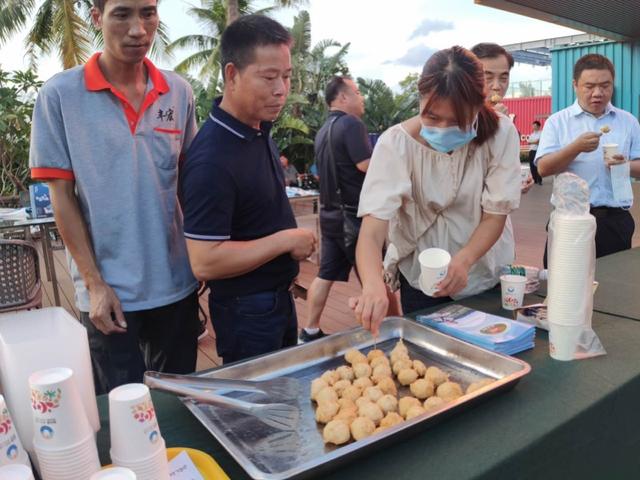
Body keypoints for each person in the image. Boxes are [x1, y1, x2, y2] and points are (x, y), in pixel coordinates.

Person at [28, 0, 200, 395]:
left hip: (177, 285)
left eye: (148, 13)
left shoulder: (178, 92)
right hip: (109, 294)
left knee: (182, 403)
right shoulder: (59, 97)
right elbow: (62, 199)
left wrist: (200, 262)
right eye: (122, 14)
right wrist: (94, 283)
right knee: (123, 411)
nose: (138, 29)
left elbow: (187, 185)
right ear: (96, 18)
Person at [351, 46, 521, 333]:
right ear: (420, 100)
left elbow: (495, 214)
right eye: (432, 117)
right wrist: (372, 285)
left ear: (480, 105)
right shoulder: (395, 144)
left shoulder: (501, 133)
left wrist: (465, 260)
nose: (442, 128)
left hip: (482, 273)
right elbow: (372, 231)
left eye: (456, 121)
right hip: (421, 277)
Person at [180, 15, 316, 363]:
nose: (281, 89)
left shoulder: (258, 129)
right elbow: (205, 261)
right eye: (269, 77)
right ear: (231, 74)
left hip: (277, 299)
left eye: (286, 77)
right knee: (258, 410)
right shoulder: (212, 158)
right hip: (248, 311)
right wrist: (286, 240)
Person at [536, 53, 640, 260]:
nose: (598, 93)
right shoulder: (558, 122)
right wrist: (575, 148)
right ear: (575, 84)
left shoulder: (628, 121)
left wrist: (625, 165)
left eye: (605, 85)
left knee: (613, 286)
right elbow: (543, 168)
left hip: (614, 220)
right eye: (589, 86)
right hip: (570, 220)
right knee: (564, 286)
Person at [299, 76, 370, 342]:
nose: (361, 97)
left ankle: (310, 330)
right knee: (374, 278)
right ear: (342, 98)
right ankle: (386, 328)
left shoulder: (323, 130)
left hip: (329, 215)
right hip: (352, 218)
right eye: (358, 92)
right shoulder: (351, 124)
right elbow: (366, 165)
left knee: (325, 274)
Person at [471, 42, 535, 194]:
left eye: (503, 78)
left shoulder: (504, 119)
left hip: (498, 213)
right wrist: (491, 122)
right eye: (488, 77)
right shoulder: (453, 119)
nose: (497, 86)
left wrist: (516, 179)